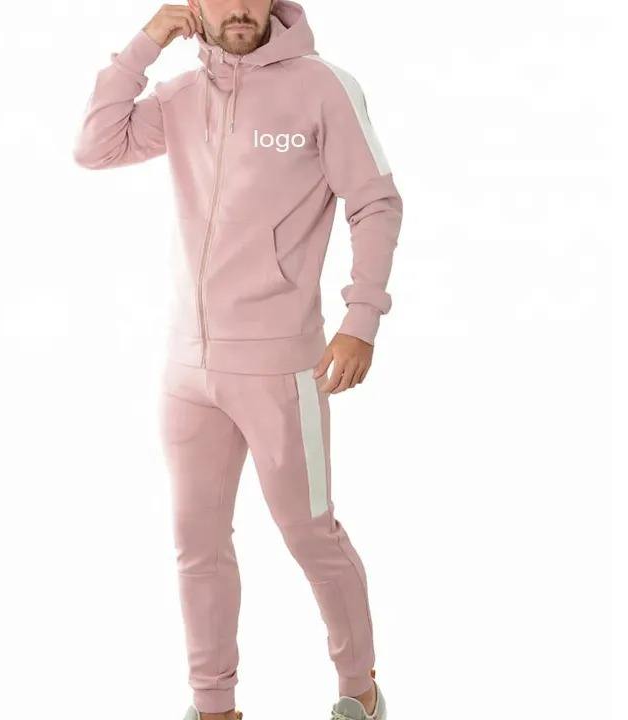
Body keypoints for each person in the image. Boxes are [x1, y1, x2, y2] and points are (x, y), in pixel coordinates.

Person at [73, 1, 403, 718]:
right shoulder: (181, 96)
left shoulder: (323, 87)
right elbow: (95, 146)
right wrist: (148, 40)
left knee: (310, 534)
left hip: (282, 365)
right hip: (187, 371)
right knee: (197, 544)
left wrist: (361, 319)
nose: (241, 9)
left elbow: (375, 202)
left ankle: (359, 691)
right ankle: (213, 704)